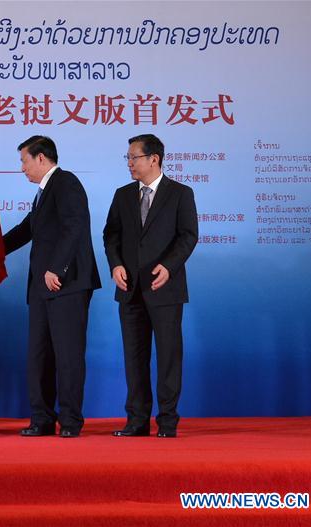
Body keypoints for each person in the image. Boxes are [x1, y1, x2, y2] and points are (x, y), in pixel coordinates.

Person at [2, 135, 101, 438]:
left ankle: (70, 421)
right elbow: (25, 230)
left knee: (68, 355)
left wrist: (57, 268)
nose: (22, 168)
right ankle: (42, 419)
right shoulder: (43, 193)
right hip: (42, 288)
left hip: (66, 283)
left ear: (41, 158)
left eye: (24, 160)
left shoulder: (66, 183)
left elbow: (76, 226)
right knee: (39, 355)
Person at [103, 134, 198, 439]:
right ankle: (137, 420)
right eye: (128, 158)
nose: (129, 163)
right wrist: (115, 264)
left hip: (164, 288)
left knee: (169, 356)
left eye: (134, 157)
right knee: (134, 356)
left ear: (153, 159)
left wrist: (169, 266)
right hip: (129, 288)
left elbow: (188, 236)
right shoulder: (122, 195)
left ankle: (167, 421)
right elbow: (111, 235)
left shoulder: (180, 193)